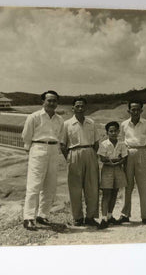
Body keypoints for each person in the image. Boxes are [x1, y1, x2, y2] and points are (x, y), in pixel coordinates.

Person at [21, 90, 65, 231]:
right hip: (38, 148)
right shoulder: (34, 117)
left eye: (54, 101)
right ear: (43, 102)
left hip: (53, 150)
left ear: (57, 103)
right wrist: (31, 150)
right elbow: (26, 136)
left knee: (50, 186)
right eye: (49, 100)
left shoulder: (60, 120)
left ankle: (42, 215)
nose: (52, 103)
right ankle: (28, 218)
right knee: (34, 185)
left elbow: (60, 136)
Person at [62, 97, 100, 227]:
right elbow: (63, 145)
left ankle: (90, 217)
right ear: (73, 108)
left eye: (82, 106)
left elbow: (96, 143)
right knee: (75, 188)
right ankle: (77, 217)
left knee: (92, 187)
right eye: (77, 106)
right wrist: (70, 157)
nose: (80, 108)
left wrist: (92, 155)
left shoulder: (91, 123)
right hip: (74, 153)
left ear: (85, 108)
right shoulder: (67, 124)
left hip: (89, 152)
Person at [117, 100, 146, 225]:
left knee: (143, 186)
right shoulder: (124, 125)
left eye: (138, 109)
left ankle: (145, 216)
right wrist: (123, 155)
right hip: (127, 154)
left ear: (141, 111)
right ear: (129, 111)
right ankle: (125, 215)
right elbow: (121, 140)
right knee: (127, 186)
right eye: (133, 109)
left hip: (141, 153)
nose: (135, 111)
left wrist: (144, 153)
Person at [97, 121, 128, 230]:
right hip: (107, 170)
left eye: (115, 131)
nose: (113, 133)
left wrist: (118, 162)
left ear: (119, 131)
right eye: (111, 131)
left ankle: (110, 216)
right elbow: (102, 158)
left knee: (115, 192)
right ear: (107, 132)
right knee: (106, 193)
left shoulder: (122, 144)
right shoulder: (104, 144)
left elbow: (124, 157)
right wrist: (113, 161)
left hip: (118, 170)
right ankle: (104, 218)